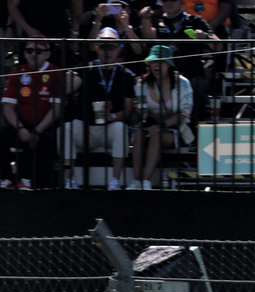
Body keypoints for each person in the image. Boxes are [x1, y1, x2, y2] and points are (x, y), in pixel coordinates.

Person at [63, 27, 134, 190]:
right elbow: (66, 89)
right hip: (85, 128)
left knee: (121, 128)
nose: (107, 51)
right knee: (66, 128)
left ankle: (115, 180)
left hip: (109, 128)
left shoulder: (127, 75)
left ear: (118, 48)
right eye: (103, 46)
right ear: (96, 48)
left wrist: (113, 117)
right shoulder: (86, 69)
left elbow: (129, 111)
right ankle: (70, 180)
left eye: (111, 46)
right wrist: (66, 80)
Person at [0, 38, 63, 189]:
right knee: (2, 134)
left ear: (47, 54)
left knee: (45, 140)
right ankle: (5, 179)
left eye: (38, 51)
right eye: (29, 51)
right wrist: (20, 129)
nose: (33, 54)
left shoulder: (56, 73)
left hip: (45, 126)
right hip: (21, 124)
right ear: (25, 54)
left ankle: (30, 180)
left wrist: (36, 131)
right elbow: (7, 107)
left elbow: (56, 109)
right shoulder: (17, 72)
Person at [140, 0, 218, 120]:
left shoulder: (195, 21)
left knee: (198, 85)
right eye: (165, 1)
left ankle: (196, 126)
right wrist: (145, 19)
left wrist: (205, 37)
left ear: (182, 2)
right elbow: (148, 37)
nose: (168, 3)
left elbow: (219, 46)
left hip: (191, 74)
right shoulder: (159, 22)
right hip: (164, 76)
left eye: (173, 0)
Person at [129, 43, 192, 189]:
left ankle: (146, 181)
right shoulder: (141, 83)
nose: (157, 65)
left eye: (162, 62)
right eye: (154, 62)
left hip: (173, 129)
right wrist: (139, 110)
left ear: (169, 64)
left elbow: (184, 113)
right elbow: (143, 114)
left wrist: (161, 125)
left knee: (156, 135)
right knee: (138, 134)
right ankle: (136, 180)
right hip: (148, 126)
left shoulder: (182, 84)